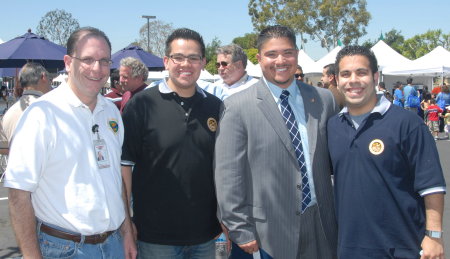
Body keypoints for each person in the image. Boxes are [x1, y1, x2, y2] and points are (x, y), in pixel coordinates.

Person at [3, 27, 136, 259]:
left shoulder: (111, 114)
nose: (97, 68)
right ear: (68, 62)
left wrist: (126, 231)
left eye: (104, 61)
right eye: (87, 59)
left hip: (114, 244)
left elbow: (115, 179)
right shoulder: (42, 114)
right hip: (66, 249)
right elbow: (18, 193)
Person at [215, 25, 338, 259]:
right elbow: (228, 175)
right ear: (259, 58)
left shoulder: (324, 100)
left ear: (297, 55)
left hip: (321, 226)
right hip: (266, 233)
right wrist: (239, 228)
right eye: (271, 54)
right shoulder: (237, 107)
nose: (280, 60)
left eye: (288, 53)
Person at [328, 45, 446, 258]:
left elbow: (432, 185)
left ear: (375, 77)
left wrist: (434, 235)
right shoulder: (332, 126)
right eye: (345, 74)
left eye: (361, 72)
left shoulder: (408, 124)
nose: (353, 80)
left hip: (401, 247)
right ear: (337, 80)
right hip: (348, 248)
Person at [121, 28, 223, 258]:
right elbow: (124, 167)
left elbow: (224, 169)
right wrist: (126, 223)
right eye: (178, 57)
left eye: (193, 58)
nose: (186, 64)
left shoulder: (216, 107)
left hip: (205, 236)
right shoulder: (141, 105)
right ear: (166, 61)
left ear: (203, 62)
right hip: (155, 239)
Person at [2, 62, 52, 143]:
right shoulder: (49, 109)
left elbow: (3, 147)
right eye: (50, 79)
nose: (51, 84)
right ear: (44, 77)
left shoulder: (8, 114)